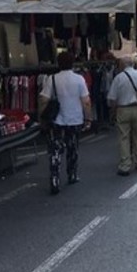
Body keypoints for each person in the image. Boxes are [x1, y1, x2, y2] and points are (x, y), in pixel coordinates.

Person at [39, 52, 92, 194]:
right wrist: (88, 118)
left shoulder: (52, 79)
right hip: (75, 119)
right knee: (72, 148)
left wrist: (41, 117)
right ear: (73, 63)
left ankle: (55, 178)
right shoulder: (79, 79)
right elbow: (86, 102)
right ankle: (72, 174)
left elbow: (44, 100)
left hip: (56, 121)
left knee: (55, 150)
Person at [107, 56, 137, 175]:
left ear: (122, 65)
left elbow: (112, 99)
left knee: (124, 137)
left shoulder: (118, 78)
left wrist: (113, 112)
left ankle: (125, 165)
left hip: (123, 109)